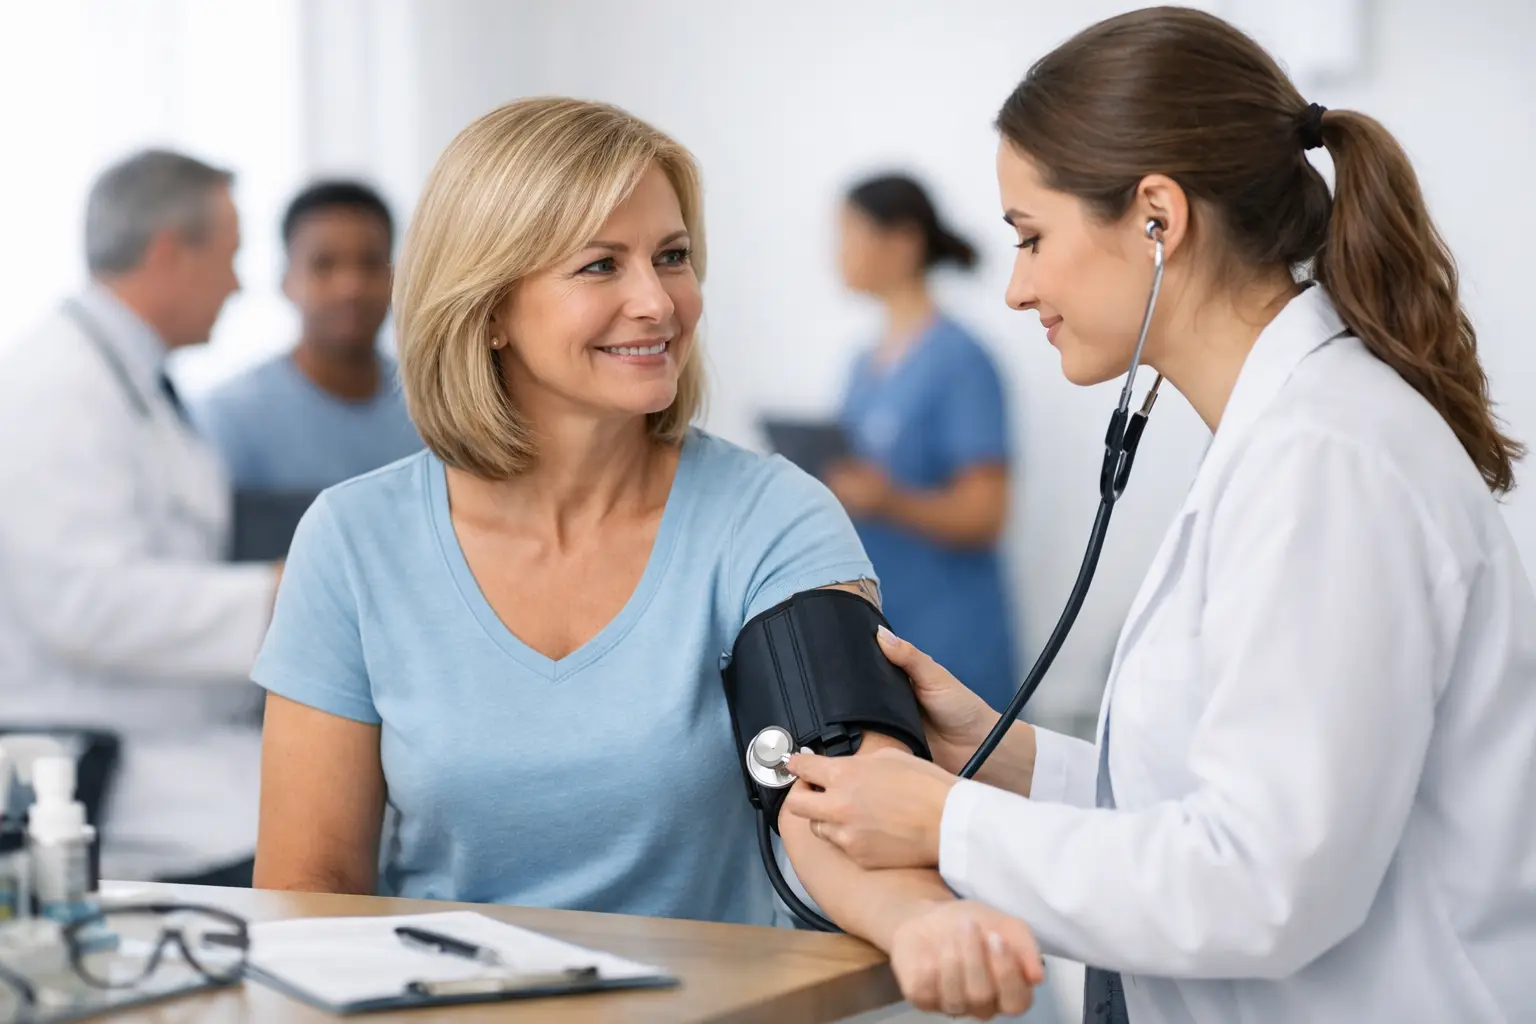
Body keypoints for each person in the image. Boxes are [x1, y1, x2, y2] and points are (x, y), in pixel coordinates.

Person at [782, 8, 1536, 1021]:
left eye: (1033, 237)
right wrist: (997, 754)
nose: (1017, 288)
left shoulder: (1327, 459)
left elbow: (1263, 885)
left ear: (1157, 216)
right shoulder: (1292, 438)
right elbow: (1215, 802)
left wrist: (948, 821)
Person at [250, 98, 1044, 1021]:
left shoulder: (773, 517)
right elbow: (312, 885)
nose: (659, 301)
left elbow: (840, 793)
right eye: (601, 264)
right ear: (489, 307)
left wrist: (921, 923)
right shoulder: (354, 541)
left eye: (672, 255)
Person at [0, 149, 282, 886]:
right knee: (314, 843)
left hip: (173, 737)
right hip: (100, 761)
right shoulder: (55, 386)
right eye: (228, 257)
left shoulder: (124, 377)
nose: (237, 283)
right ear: (167, 252)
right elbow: (81, 602)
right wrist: (278, 595)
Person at [827, 174, 1021, 714]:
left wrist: (886, 499)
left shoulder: (961, 361)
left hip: (953, 637)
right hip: (886, 630)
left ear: (903, 241)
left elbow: (986, 512)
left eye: (849, 234)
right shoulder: (860, 367)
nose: (837, 253)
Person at [191, 180, 421, 490]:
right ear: (285, 281)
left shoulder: (435, 411)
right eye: (323, 265)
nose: (350, 286)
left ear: (397, 278)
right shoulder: (229, 420)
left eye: (370, 263)